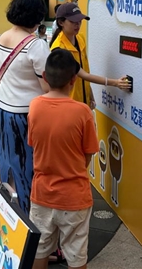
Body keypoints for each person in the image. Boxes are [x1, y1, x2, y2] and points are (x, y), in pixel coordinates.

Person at [28, 49, 99, 269]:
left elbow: (34, 144)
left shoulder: (35, 106)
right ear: (74, 80)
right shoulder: (83, 112)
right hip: (74, 197)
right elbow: (88, 154)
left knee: (39, 250)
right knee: (76, 256)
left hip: (42, 195)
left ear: (45, 76)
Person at [0, 0, 50, 214]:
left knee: (7, 161)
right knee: (29, 166)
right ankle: (28, 215)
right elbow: (47, 87)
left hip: (3, 108)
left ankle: (10, 209)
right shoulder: (36, 46)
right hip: (28, 114)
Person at [50, 2, 130, 108]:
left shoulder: (80, 38)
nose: (78, 24)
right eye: (73, 21)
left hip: (84, 101)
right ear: (61, 22)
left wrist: (90, 95)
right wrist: (115, 83)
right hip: (69, 105)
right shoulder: (59, 49)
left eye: (80, 20)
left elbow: (85, 71)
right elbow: (84, 75)